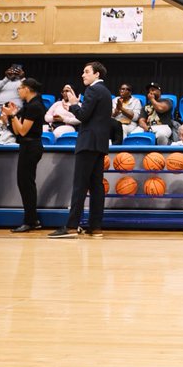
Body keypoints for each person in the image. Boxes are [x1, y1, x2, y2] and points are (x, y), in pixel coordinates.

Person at [47, 61, 113, 239]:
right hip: (99, 144)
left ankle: (71, 226)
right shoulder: (106, 92)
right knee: (96, 186)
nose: (83, 75)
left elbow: (83, 115)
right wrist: (76, 105)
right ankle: (96, 226)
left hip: (88, 142)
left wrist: (75, 104)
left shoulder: (92, 90)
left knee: (80, 186)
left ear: (97, 74)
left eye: (86, 72)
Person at [2, 77, 47, 231]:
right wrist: (11, 115)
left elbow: (22, 130)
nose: (18, 91)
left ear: (27, 88)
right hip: (26, 145)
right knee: (24, 183)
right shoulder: (28, 106)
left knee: (26, 184)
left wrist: (13, 115)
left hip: (32, 146)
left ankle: (31, 221)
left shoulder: (35, 106)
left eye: (20, 88)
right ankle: (31, 219)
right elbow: (17, 132)